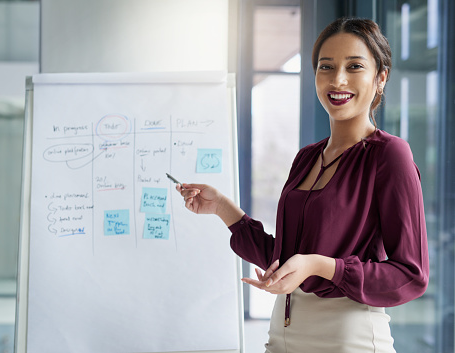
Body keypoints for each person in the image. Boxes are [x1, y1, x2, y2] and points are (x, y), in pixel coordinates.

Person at [177, 17, 429, 353]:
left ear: (380, 77)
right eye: (327, 67)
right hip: (283, 333)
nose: (337, 79)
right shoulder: (307, 158)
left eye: (354, 66)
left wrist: (319, 265)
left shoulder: (389, 155)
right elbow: (284, 259)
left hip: (346, 338)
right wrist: (223, 208)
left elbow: (411, 275)